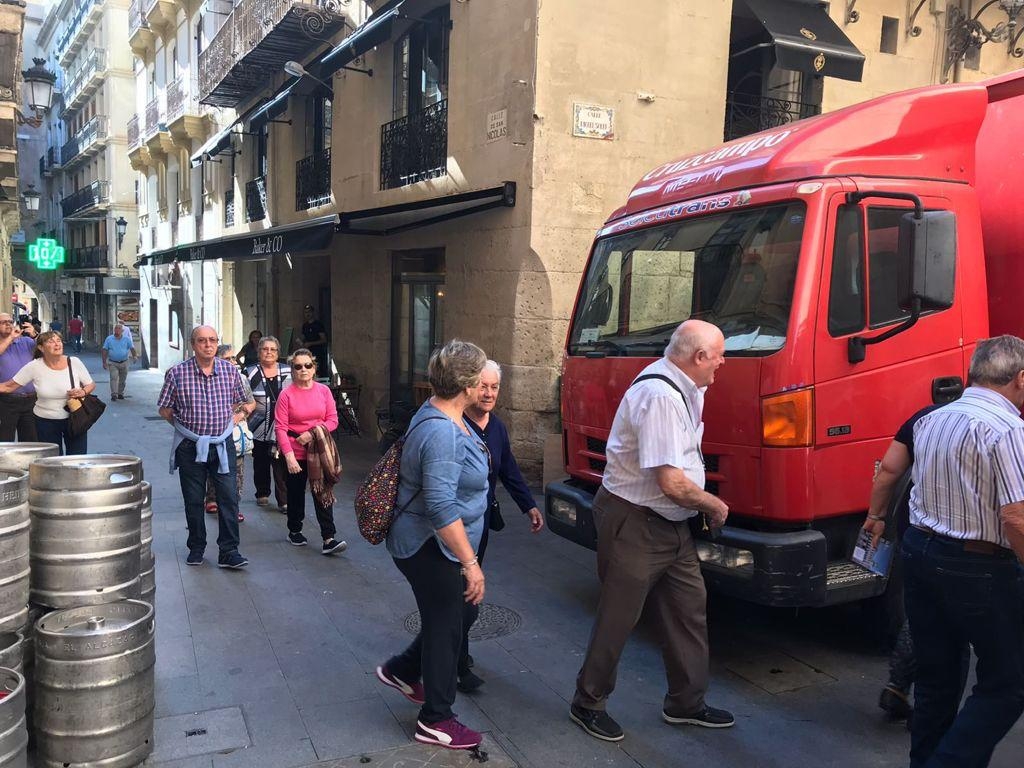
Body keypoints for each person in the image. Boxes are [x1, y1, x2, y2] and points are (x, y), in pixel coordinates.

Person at [571, 320, 732, 742]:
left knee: (689, 610)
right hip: (636, 521)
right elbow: (671, 481)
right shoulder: (660, 395)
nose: (722, 363)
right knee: (619, 616)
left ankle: (687, 703)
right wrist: (714, 504)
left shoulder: (688, 386)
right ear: (698, 358)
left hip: (670, 523)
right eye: (718, 355)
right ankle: (587, 702)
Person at [895, 335, 1024, 768]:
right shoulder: (1007, 429)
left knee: (936, 678)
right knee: (1009, 683)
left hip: (920, 553)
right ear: (1020, 380)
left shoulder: (932, 420)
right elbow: (1016, 518)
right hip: (978, 566)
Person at [376, 340, 489, 751]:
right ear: (470, 385)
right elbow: (441, 505)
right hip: (428, 545)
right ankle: (436, 719)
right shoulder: (442, 431)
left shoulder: (441, 411)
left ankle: (404, 670)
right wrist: (471, 563)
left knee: (463, 611)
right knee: (447, 625)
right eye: (481, 380)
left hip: (429, 541)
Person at [456, 360, 544, 693]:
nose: (489, 393)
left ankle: (454, 651)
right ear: (468, 387)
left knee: (468, 593)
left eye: (494, 387)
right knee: (463, 593)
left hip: (480, 524)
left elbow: (509, 470)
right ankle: (457, 662)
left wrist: (529, 506)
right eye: (483, 386)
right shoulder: (456, 424)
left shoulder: (497, 428)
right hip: (452, 525)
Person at [157, 325, 254, 569]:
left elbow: (247, 403)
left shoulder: (229, 372)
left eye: (212, 340)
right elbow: (165, 409)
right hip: (190, 447)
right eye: (202, 340)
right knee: (193, 499)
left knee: (229, 498)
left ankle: (229, 551)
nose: (208, 345)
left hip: (223, 445)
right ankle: (197, 547)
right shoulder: (177, 374)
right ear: (193, 344)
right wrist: (186, 429)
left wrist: (236, 418)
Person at [274, 348, 346, 554]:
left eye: (307, 365)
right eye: (298, 366)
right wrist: (288, 456)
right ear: (292, 370)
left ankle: (328, 538)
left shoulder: (323, 392)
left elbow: (333, 420)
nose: (303, 369)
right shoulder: (286, 395)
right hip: (295, 451)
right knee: (296, 494)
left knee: (322, 492)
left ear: (314, 368)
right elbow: (280, 427)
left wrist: (312, 433)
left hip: (319, 450)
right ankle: (295, 530)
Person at [0, 332, 95, 455]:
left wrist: (82, 391)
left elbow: (90, 384)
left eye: (59, 340)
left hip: (75, 418)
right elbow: (8, 386)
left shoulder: (74, 362)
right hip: (45, 422)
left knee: (77, 459)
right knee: (52, 461)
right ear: (41, 347)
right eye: (51, 341)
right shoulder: (34, 366)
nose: (57, 344)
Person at [204, 344, 253, 521]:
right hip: (213, 431)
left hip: (235, 431)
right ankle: (212, 498)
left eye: (233, 358)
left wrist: (240, 415)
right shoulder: (208, 378)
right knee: (213, 466)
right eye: (228, 359)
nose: (233, 362)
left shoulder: (241, 379)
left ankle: (233, 506)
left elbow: (251, 403)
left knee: (236, 469)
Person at [244, 336, 290, 511]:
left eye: (273, 349)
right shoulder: (249, 372)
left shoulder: (287, 371)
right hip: (258, 425)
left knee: (282, 463)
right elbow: (243, 397)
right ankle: (262, 492)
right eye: (265, 349)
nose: (269, 352)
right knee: (261, 460)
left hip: (283, 425)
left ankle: (283, 499)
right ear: (259, 352)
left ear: (278, 353)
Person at [0, 312, 39, 441]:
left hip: (30, 400)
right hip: (6, 400)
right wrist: (10, 339)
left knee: (30, 441)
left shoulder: (26, 342)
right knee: (5, 441)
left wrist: (35, 334)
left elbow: (46, 349)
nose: (8, 324)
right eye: (4, 322)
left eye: (10, 322)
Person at [101, 324, 137, 400]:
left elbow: (132, 348)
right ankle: (114, 394)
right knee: (113, 378)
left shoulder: (126, 339)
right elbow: (104, 350)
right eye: (116, 328)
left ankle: (120, 393)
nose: (117, 330)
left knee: (122, 380)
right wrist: (104, 362)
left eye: (119, 329)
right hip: (113, 362)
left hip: (124, 362)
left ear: (122, 331)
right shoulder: (109, 339)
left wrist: (135, 356)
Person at [300, 305, 329, 375]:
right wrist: (301, 342)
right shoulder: (305, 326)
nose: (307, 314)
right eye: (306, 312)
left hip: (318, 354)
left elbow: (324, 340)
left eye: (309, 312)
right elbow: (303, 338)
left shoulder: (318, 325)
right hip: (308, 355)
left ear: (313, 313)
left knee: (318, 372)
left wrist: (311, 343)